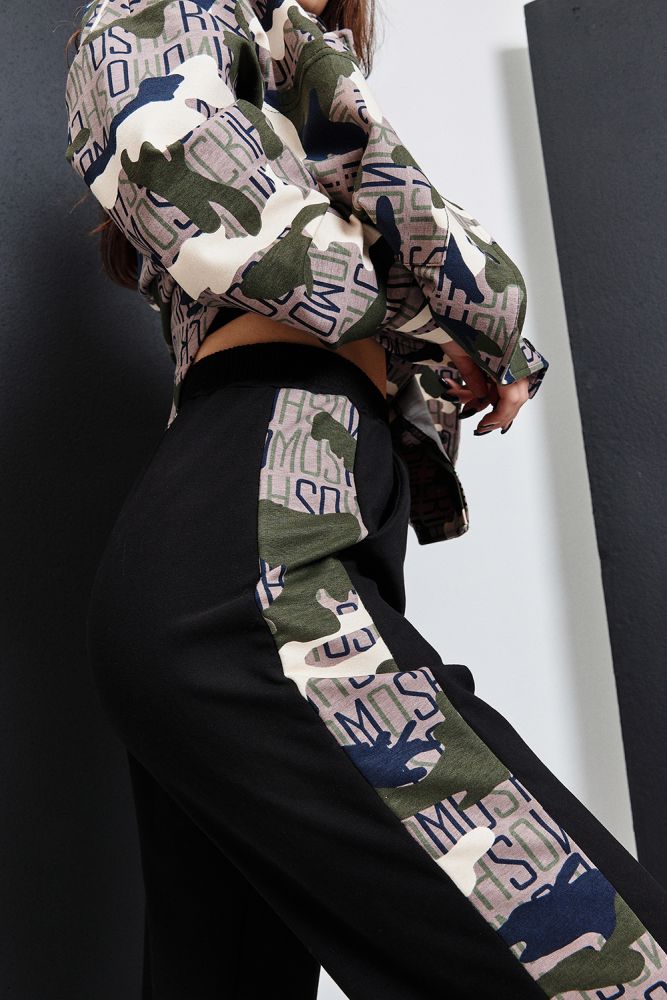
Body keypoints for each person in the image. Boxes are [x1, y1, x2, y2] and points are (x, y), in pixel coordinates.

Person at [64, 1, 667, 997]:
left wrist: (442, 322)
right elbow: (307, 265)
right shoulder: (160, 15)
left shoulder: (279, 65)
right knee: (605, 963)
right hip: (246, 537)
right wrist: (465, 303)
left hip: (269, 522)